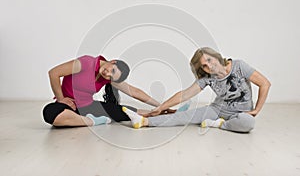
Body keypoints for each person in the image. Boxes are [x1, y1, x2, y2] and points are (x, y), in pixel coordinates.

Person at [122, 47, 271, 133]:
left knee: (248, 124)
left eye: (209, 60)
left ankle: (219, 124)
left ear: (216, 57)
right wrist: (160, 107)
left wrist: (256, 110)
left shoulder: (239, 66)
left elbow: (265, 83)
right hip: (218, 109)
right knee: (185, 117)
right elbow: (185, 94)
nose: (209, 66)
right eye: (204, 66)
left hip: (242, 112)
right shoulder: (207, 78)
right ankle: (144, 121)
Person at [42, 55, 172, 127]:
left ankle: (167, 114)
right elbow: (54, 73)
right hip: (68, 105)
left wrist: (161, 105)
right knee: (50, 113)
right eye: (112, 70)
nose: (107, 74)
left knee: (126, 112)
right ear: (113, 61)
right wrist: (61, 99)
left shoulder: (107, 78)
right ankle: (93, 121)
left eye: (111, 76)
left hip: (88, 106)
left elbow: (135, 92)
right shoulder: (85, 63)